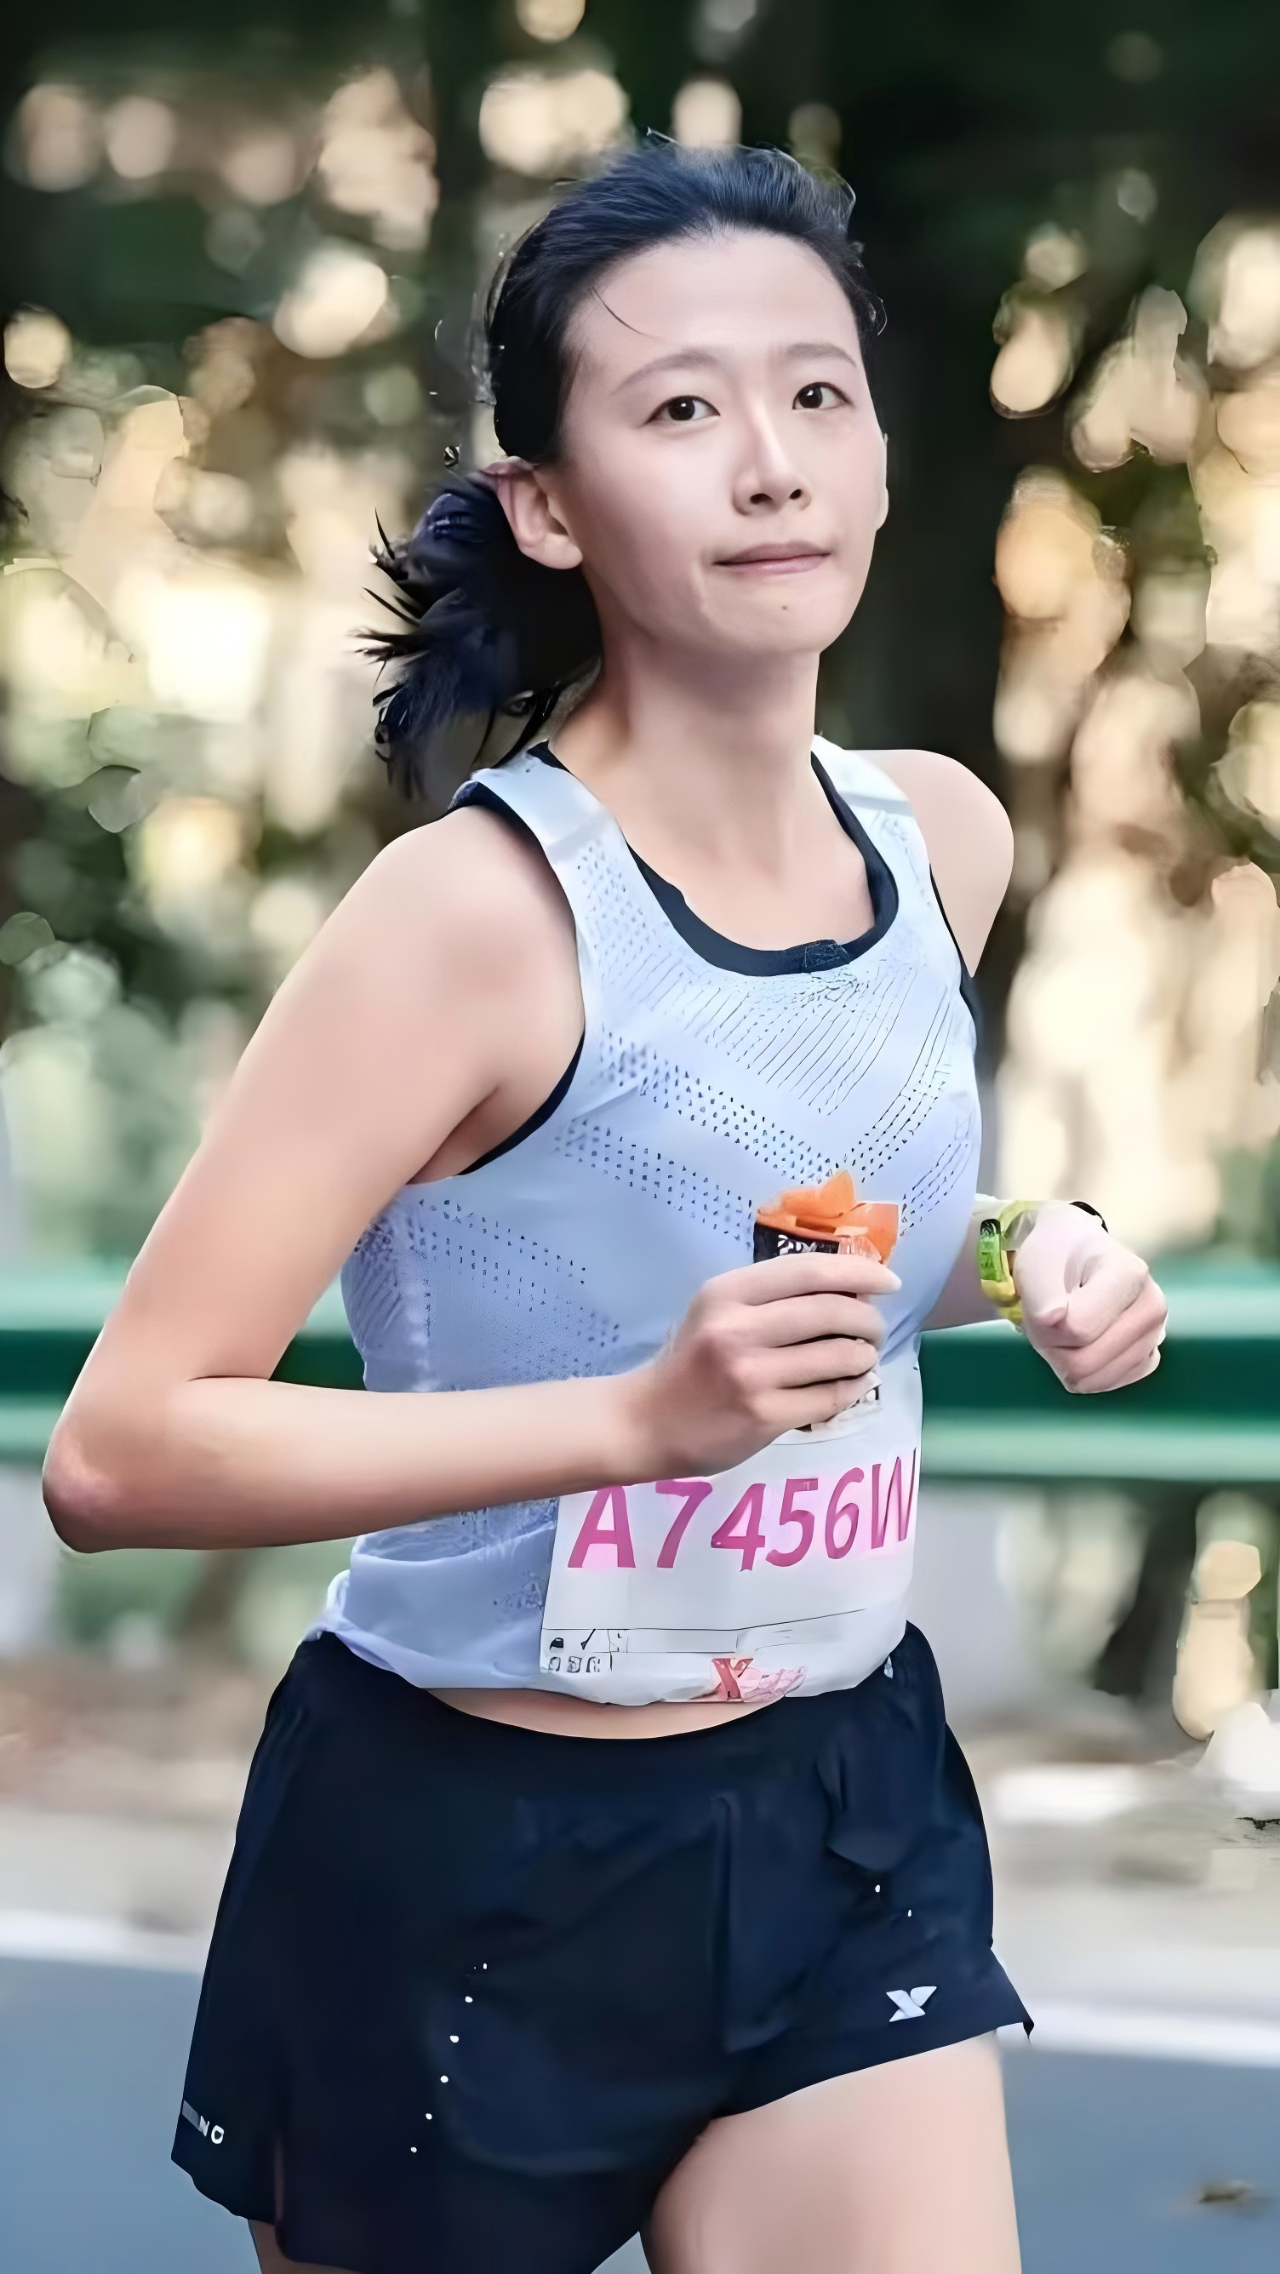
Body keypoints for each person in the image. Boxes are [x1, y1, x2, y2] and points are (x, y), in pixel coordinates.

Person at [44, 142, 1168, 2274]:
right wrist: (639, 1426)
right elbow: (121, 1450)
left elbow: (798, 1251)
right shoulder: (465, 920)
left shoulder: (938, 842)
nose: (771, 461)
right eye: (679, 408)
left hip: (836, 1809)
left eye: (817, 393)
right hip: (467, 1858)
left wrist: (1029, 1252)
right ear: (549, 504)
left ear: (883, 451)